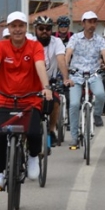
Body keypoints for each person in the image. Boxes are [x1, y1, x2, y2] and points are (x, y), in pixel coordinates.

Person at [0, 12, 53, 189]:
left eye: (21, 26)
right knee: (1, 136)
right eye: (14, 26)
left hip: (30, 98)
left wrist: (46, 87)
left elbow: (39, 65)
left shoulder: (35, 46)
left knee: (34, 132)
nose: (17, 30)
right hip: (5, 97)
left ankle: (34, 157)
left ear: (26, 28)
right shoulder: (1, 46)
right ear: (9, 29)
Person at [65, 11, 105, 148]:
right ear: (83, 23)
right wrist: (66, 66)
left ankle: (97, 114)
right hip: (76, 74)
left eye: (94, 22)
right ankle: (74, 137)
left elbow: (104, 53)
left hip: (94, 73)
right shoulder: (75, 38)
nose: (92, 25)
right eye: (89, 22)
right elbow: (68, 53)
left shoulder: (100, 39)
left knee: (101, 94)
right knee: (74, 104)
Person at [34, 15, 70, 146]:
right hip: (33, 80)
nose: (44, 31)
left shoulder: (57, 42)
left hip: (51, 81)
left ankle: (51, 130)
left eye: (48, 29)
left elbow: (61, 60)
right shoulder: (30, 41)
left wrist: (66, 78)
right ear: (35, 29)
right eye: (41, 28)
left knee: (55, 101)